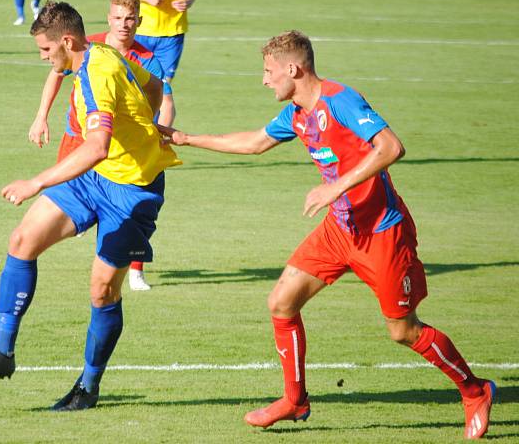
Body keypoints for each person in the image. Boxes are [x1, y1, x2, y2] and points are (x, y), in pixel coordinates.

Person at [158, 30, 496, 439]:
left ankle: (475, 390)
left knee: (403, 331)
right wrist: (185, 138)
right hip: (339, 230)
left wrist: (335, 187)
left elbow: (390, 147)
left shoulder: (341, 100)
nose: (264, 80)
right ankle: (294, 400)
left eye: (268, 72)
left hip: (381, 233)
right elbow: (254, 142)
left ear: (293, 69)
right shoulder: (297, 115)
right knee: (282, 302)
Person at [0, 1, 180, 411]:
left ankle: (88, 388)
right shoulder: (104, 52)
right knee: (23, 239)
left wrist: (36, 181)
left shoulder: (98, 70)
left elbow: (96, 147)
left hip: (132, 191)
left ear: (66, 41)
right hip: (93, 179)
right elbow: (152, 87)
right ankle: (2, 353)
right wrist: (145, 120)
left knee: (101, 292)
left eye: (45, 50)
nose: (44, 58)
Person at [28, 0, 169, 291]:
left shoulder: (145, 59)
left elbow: (159, 93)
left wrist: (152, 126)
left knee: (120, 213)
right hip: (78, 137)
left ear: (139, 21)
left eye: (130, 18)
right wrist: (41, 116)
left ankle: (134, 269)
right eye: (118, 18)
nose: (124, 24)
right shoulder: (88, 44)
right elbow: (58, 71)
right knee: (61, 204)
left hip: (117, 151)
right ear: (108, 19)